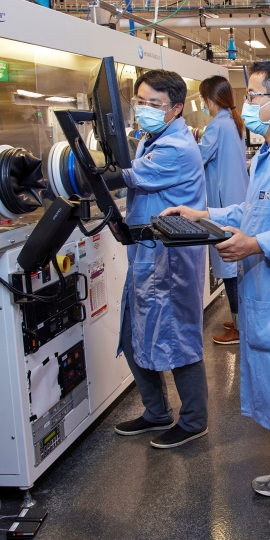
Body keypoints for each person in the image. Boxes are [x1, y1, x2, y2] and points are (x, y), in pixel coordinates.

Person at [162, 61, 270, 540]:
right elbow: (251, 210)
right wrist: (203, 214)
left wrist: (254, 245)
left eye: (255, 95)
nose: (249, 105)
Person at [113, 70, 210, 449]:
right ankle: (155, 412)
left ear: (175, 109)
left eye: (154, 104)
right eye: (140, 102)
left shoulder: (176, 147)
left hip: (168, 257)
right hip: (146, 252)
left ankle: (194, 420)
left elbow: (127, 178)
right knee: (132, 331)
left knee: (177, 336)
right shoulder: (154, 138)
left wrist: (73, 174)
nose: (144, 110)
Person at [198, 75, 249, 346]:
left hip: (223, 205)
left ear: (210, 99)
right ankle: (240, 318)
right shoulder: (234, 123)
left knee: (230, 268)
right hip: (237, 200)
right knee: (236, 267)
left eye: (203, 100)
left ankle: (239, 328)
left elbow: (197, 160)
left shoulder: (217, 127)